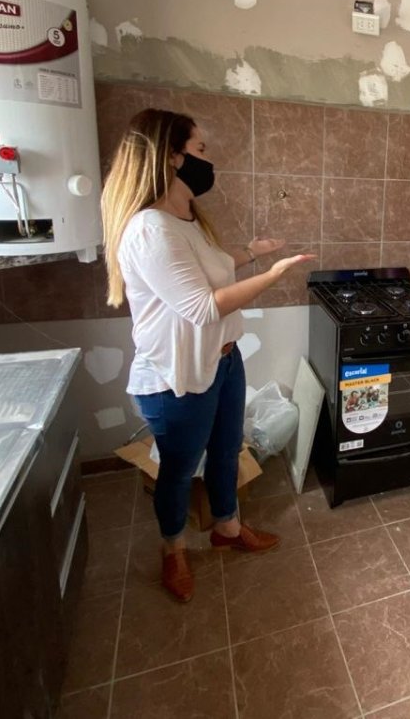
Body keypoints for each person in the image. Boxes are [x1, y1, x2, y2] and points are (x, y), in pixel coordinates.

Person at [101, 108, 314, 603]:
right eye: (199, 149)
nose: (207, 159)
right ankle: (173, 550)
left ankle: (227, 528)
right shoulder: (150, 229)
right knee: (178, 472)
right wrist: (273, 275)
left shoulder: (186, 220)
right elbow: (201, 306)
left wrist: (251, 252)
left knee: (226, 451)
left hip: (224, 361)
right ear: (171, 157)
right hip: (176, 377)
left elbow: (209, 267)